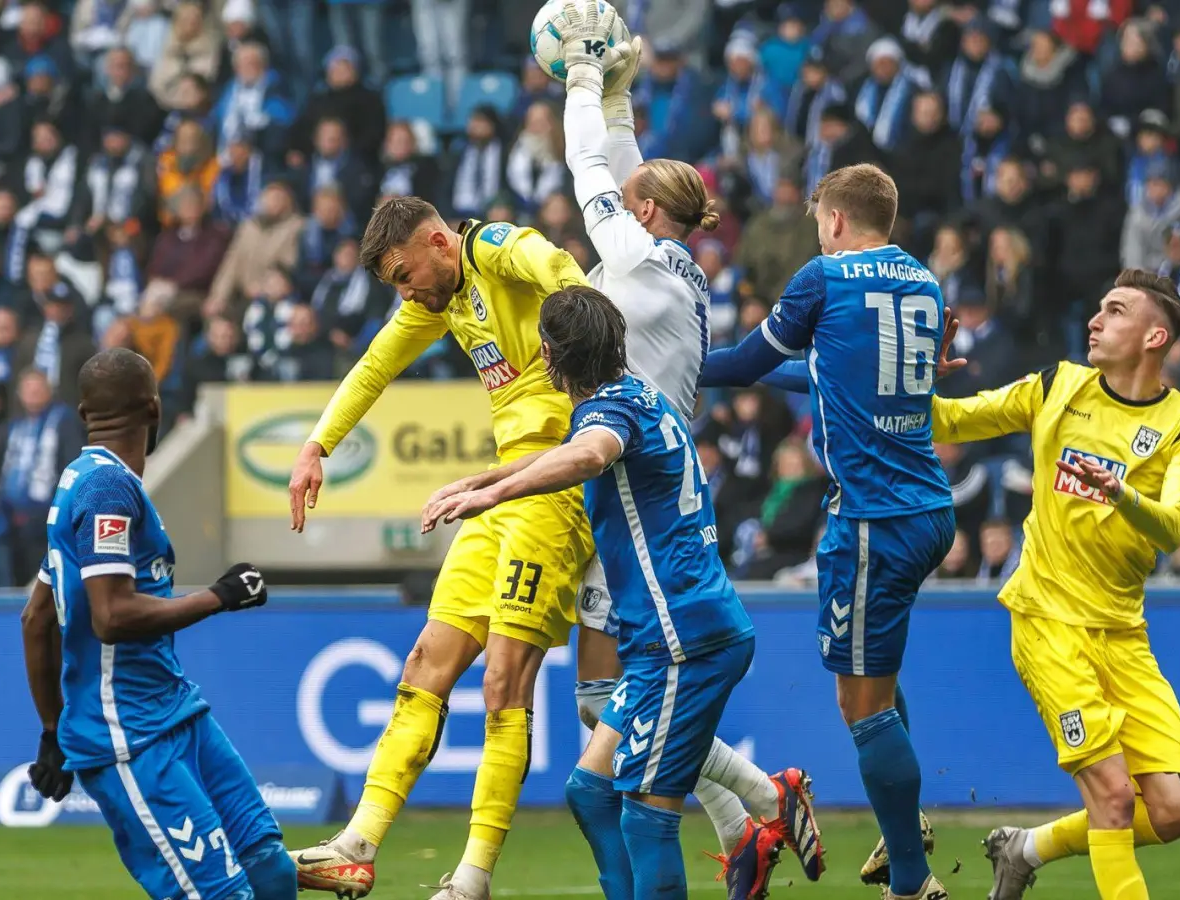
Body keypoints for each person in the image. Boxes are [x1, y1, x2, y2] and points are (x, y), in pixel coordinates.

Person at [551, 5, 823, 892]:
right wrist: (623, 97)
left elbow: (590, 164)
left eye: (634, 201)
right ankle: (749, 812)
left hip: (633, 496)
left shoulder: (634, 263)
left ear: (649, 212)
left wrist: (583, 83)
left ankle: (757, 798)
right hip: (647, 490)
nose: (616, 206)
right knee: (604, 763)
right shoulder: (663, 265)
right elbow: (623, 169)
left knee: (609, 722)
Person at [286, 197, 593, 900]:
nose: (406, 293)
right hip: (499, 484)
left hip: (555, 482)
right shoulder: (441, 301)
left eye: (403, 276)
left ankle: (474, 878)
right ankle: (357, 845)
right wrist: (315, 446)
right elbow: (372, 367)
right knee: (427, 659)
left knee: (503, 683)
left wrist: (589, 346)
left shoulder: (493, 252)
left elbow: (557, 267)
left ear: (435, 241)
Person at [421, 285, 756, 900]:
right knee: (591, 788)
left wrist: (494, 496)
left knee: (647, 815)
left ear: (548, 357)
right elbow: (578, 448)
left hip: (681, 636)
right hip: (674, 631)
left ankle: (770, 801)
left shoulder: (606, 416)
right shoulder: (634, 394)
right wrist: (488, 475)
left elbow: (590, 454)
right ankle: (768, 800)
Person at [700, 163, 955, 900]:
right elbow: (817, 374)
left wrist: (678, 370)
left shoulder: (826, 276)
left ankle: (911, 881)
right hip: (925, 507)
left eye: (819, 221)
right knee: (878, 684)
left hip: (874, 517)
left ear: (836, 220)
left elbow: (753, 362)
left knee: (859, 705)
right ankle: (905, 835)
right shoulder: (922, 282)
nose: (818, 232)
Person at [930, 269, 1180, 900]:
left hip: (1123, 636)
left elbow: (1173, 527)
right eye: (1098, 309)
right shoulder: (1058, 385)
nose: (1095, 320)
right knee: (1115, 797)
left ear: (1154, 336)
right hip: (1048, 621)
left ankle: (1024, 848)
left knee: (1176, 810)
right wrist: (914, 384)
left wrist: (1121, 494)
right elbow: (947, 423)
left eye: (1115, 311)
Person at [17, 348, 292, 900]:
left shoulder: (82, 482)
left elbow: (36, 618)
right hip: (129, 738)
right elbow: (113, 616)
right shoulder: (106, 491)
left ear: (81, 413)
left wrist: (52, 733)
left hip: (176, 715)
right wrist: (219, 597)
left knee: (272, 873)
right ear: (154, 409)